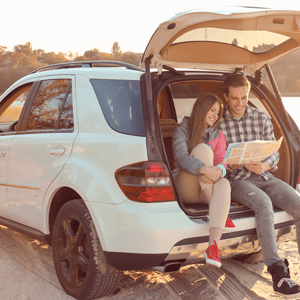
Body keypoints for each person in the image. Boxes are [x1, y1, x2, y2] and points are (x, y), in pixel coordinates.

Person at [218, 73, 300, 298]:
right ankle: (278, 273)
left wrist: (265, 164)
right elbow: (216, 160)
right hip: (237, 180)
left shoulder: (261, 117)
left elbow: (274, 152)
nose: (240, 103)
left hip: (265, 177)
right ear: (226, 96)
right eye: (235, 98)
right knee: (263, 204)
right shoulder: (218, 122)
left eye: (244, 98)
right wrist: (236, 162)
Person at [172, 92, 235, 268]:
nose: (215, 115)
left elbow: (223, 163)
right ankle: (213, 206)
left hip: (205, 187)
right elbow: (180, 157)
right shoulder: (183, 129)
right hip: (185, 186)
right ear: (201, 108)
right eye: (212, 110)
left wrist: (219, 170)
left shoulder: (218, 135)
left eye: (218, 112)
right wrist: (203, 169)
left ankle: (213, 247)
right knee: (203, 150)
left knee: (224, 182)